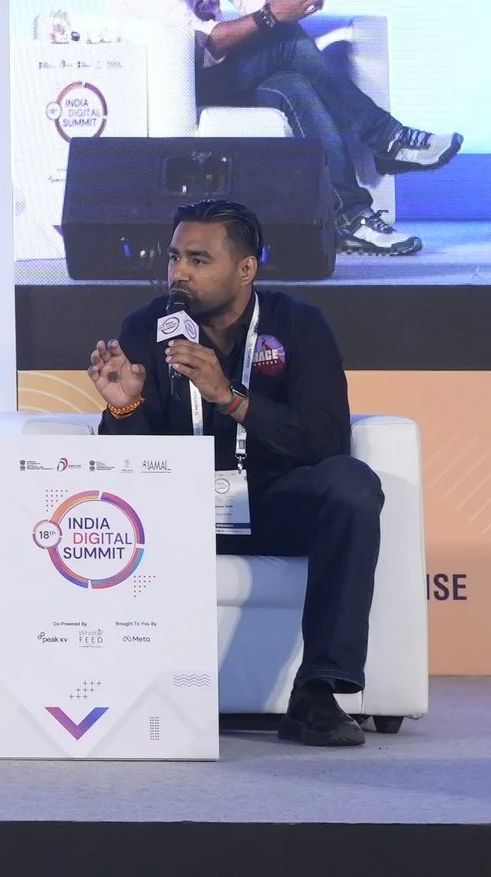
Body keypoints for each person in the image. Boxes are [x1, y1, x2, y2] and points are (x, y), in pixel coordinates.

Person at [85, 197, 382, 747]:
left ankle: (318, 692)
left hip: (274, 502)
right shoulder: (147, 328)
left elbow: (325, 442)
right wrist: (123, 408)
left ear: (246, 269)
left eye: (198, 260)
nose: (179, 273)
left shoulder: (299, 326)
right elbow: (126, 471)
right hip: (178, 511)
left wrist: (231, 397)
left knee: (352, 485)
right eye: (174, 257)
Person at [110, 0, 457, 255]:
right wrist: (273, 16)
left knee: (294, 88)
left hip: (217, 73)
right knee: (286, 39)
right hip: (179, 87)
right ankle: (387, 139)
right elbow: (202, 44)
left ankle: (351, 218)